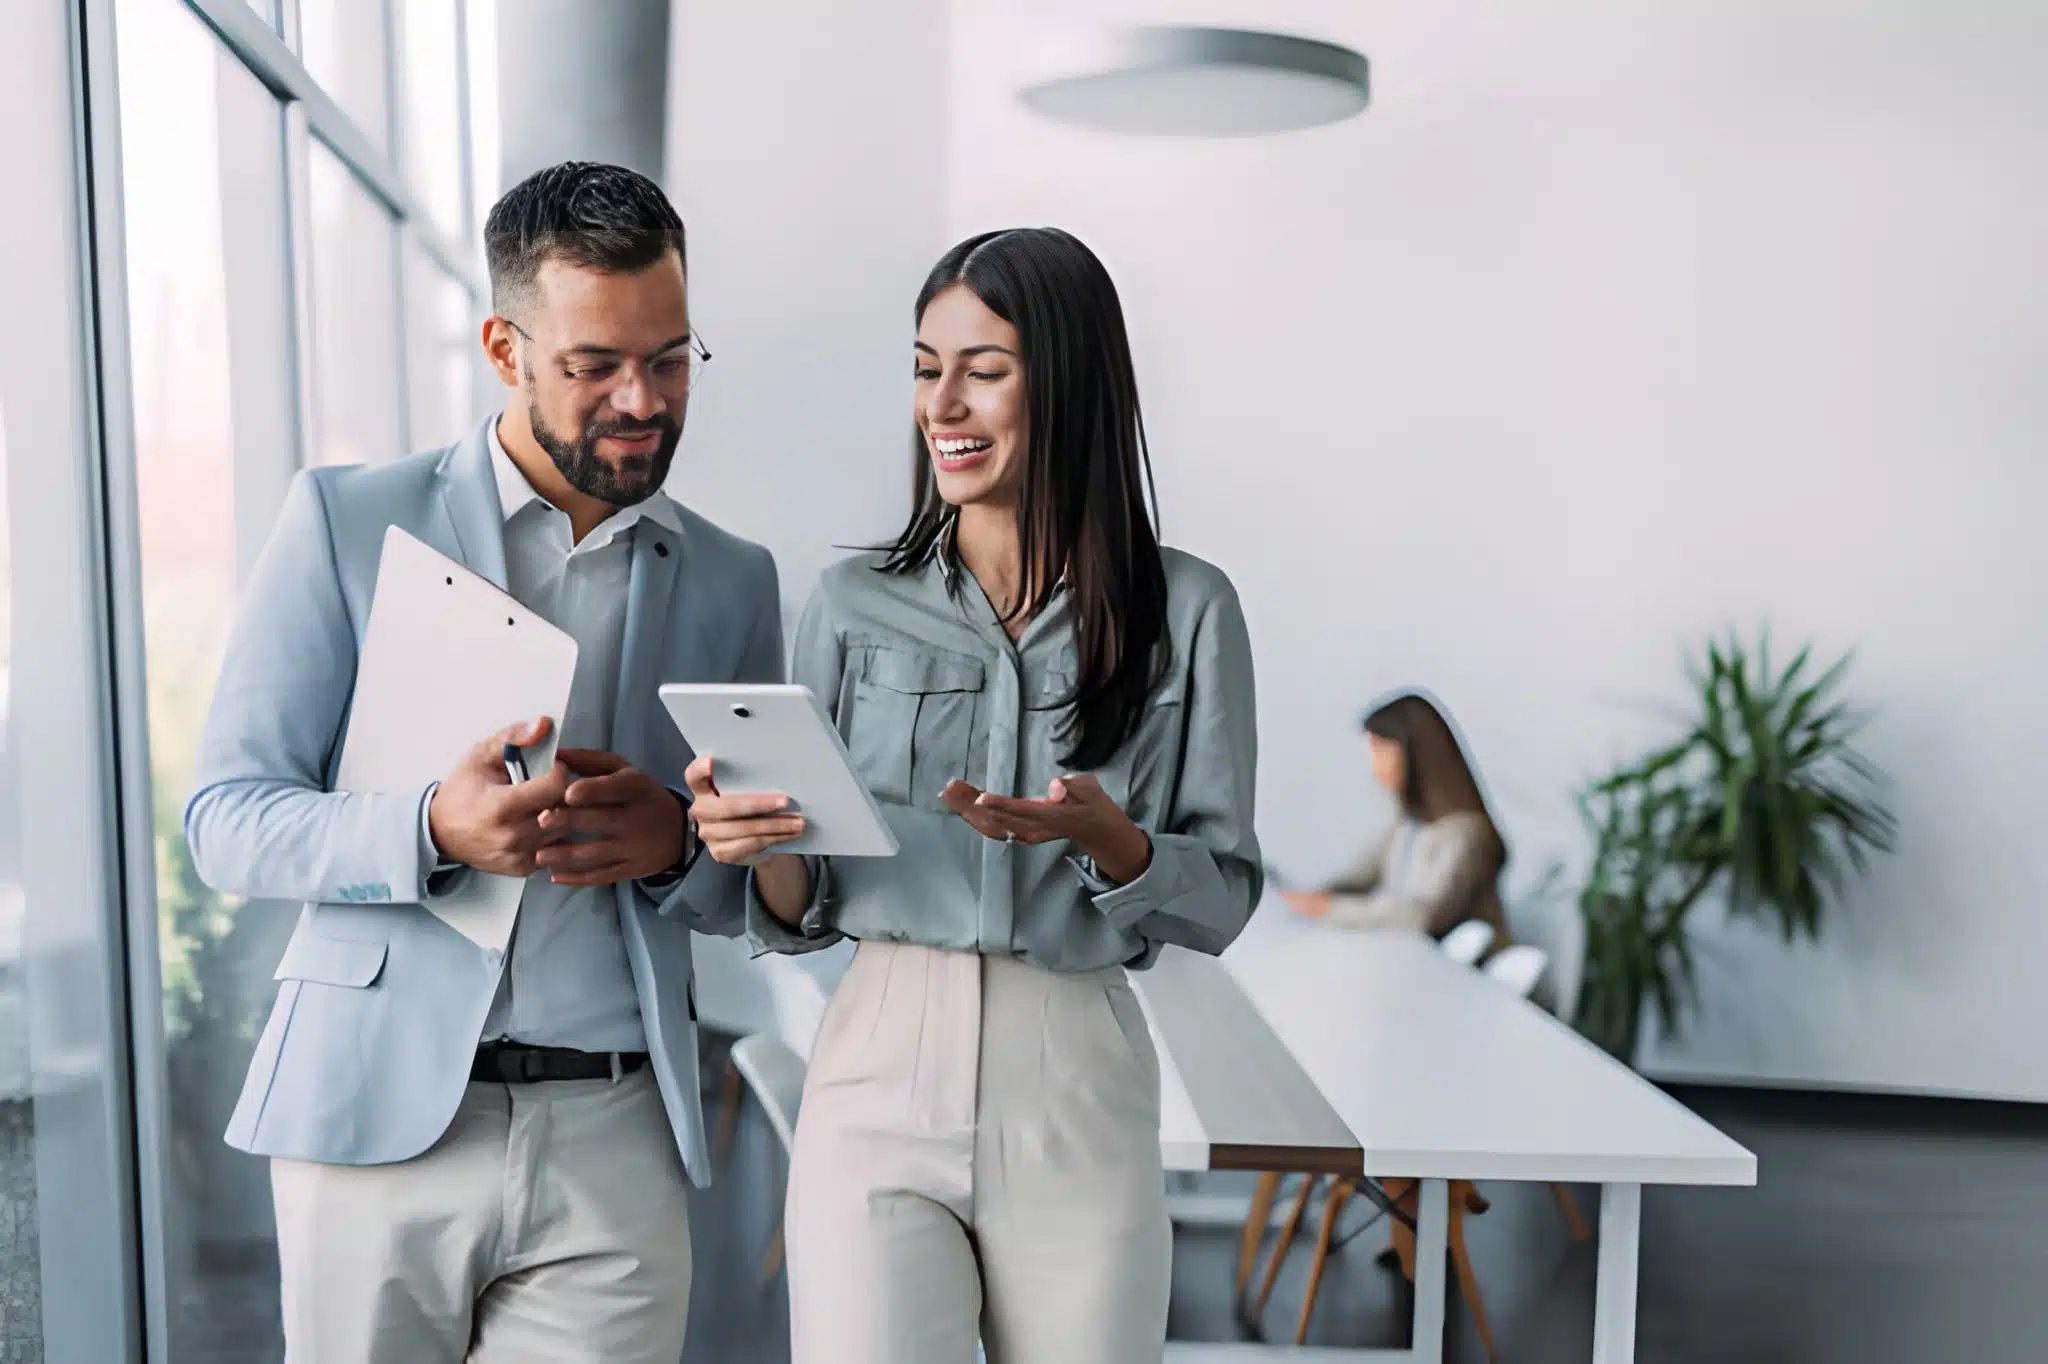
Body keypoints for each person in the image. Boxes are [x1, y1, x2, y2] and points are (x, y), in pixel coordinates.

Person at [184, 161, 782, 1363]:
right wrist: (428, 828)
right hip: (376, 1120)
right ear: (505, 350)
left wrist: (676, 843)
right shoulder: (348, 521)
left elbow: (756, 883)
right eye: (594, 365)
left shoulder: (733, 577)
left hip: (617, 1136)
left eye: (669, 359)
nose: (642, 399)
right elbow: (226, 818)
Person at [687, 227, 1262, 1363]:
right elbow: (810, 905)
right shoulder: (850, 602)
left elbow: (1225, 896)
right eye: (922, 365)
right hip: (875, 1057)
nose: (940, 401)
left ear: (1070, 384)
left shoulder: (1187, 610)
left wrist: (1118, 847)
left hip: (1075, 1073)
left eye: (983, 369)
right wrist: (756, 840)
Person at [1283, 690, 1510, 941]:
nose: (1374, 766)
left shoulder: (1468, 835)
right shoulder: (1408, 828)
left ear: (1417, 753)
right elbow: (1359, 876)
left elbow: (1423, 917)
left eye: (1381, 750)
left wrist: (1326, 909)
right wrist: (1309, 899)